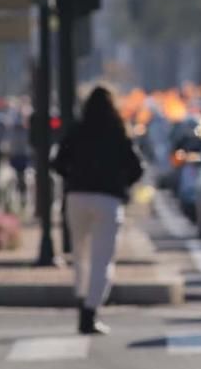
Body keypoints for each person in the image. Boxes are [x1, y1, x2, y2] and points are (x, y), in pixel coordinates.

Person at [51, 87, 144, 335]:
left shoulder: (77, 130)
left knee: (80, 255)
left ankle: (82, 300)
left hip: (77, 196)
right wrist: (121, 183)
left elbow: (58, 162)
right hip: (108, 199)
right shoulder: (118, 131)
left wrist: (73, 178)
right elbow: (136, 168)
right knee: (102, 260)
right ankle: (90, 312)